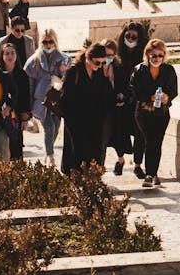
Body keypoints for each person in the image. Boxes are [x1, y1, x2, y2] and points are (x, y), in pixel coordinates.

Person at [130, 39, 178, 189]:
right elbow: (134, 90)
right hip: (144, 112)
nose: (156, 58)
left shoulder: (168, 70)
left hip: (161, 113)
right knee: (150, 140)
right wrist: (148, 97)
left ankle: (153, 173)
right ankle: (150, 174)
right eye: (153, 56)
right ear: (147, 55)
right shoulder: (139, 70)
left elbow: (174, 90)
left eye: (160, 55)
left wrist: (166, 97)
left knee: (157, 142)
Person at [60, 43, 114, 175]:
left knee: (94, 156)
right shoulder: (74, 72)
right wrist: (71, 123)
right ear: (88, 58)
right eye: (97, 62)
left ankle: (91, 184)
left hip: (94, 123)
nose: (99, 66)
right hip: (76, 122)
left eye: (102, 62)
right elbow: (65, 100)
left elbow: (106, 95)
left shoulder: (100, 73)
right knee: (76, 155)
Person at [25, 28, 68, 167]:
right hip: (41, 101)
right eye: (45, 42)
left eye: (50, 42)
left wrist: (63, 72)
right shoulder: (34, 61)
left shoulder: (63, 59)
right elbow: (29, 84)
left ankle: (48, 151)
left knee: (55, 129)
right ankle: (50, 155)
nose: (48, 45)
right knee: (49, 128)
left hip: (57, 100)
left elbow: (69, 81)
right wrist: (30, 105)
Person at [117, 21, 150, 177]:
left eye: (133, 37)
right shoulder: (119, 55)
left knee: (139, 134)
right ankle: (120, 160)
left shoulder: (145, 58)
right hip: (122, 101)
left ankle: (137, 165)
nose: (130, 39)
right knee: (120, 132)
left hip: (138, 100)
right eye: (127, 35)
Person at [0, 40, 32, 160]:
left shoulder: (22, 75)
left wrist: (25, 118)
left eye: (12, 53)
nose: (10, 56)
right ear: (2, 56)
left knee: (16, 147)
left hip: (16, 117)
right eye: (7, 53)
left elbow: (25, 97)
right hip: (0, 115)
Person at [102, 39, 133, 176]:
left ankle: (120, 160)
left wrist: (122, 96)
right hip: (102, 108)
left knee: (118, 137)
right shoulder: (97, 66)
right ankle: (99, 167)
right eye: (106, 55)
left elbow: (126, 86)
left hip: (117, 108)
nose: (108, 58)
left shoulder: (119, 67)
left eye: (111, 55)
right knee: (102, 139)